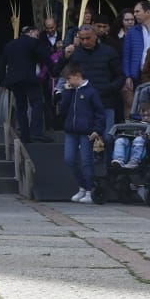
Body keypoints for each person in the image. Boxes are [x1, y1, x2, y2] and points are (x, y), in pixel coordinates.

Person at [53, 62, 108, 203]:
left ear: (77, 76)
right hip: (71, 130)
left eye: (69, 79)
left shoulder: (91, 92)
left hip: (87, 132)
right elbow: (63, 110)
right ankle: (82, 186)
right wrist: (67, 92)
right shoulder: (71, 91)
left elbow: (100, 113)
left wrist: (97, 129)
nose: (68, 82)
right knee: (69, 158)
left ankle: (90, 190)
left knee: (86, 161)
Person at [65, 23, 124, 122]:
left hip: (106, 101)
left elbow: (120, 75)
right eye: (82, 39)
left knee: (107, 136)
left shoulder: (109, 51)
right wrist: (65, 57)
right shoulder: (75, 53)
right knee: (87, 135)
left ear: (95, 36)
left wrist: (110, 88)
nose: (85, 42)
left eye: (88, 38)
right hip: (83, 102)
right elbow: (56, 71)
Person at [0, 25, 46, 141]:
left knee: (21, 107)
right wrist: (54, 68)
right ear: (30, 32)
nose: (37, 37)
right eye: (36, 34)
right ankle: (35, 131)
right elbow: (44, 57)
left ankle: (25, 134)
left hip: (15, 81)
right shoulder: (33, 43)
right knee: (37, 103)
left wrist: (2, 82)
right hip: (29, 79)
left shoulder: (10, 45)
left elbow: (2, 64)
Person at [120, 0, 150, 116]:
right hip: (138, 74)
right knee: (138, 105)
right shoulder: (133, 31)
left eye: (137, 11)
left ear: (148, 12)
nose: (135, 14)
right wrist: (128, 76)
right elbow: (126, 56)